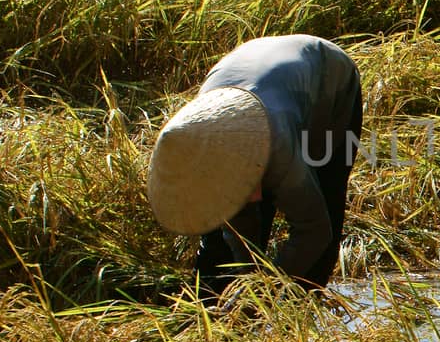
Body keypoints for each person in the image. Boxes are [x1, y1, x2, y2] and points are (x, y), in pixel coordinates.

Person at [147, 35, 362, 295]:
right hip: (255, 75)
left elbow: (315, 230)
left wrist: (266, 290)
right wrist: (246, 276)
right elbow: (237, 225)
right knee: (220, 244)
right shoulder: (199, 147)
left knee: (325, 202)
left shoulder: (279, 148)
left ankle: (306, 301)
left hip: (328, 83)